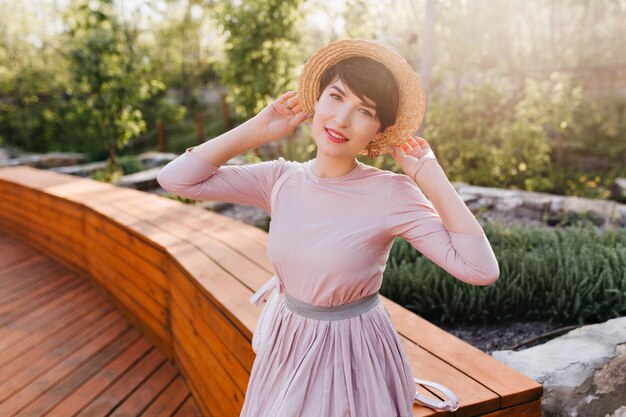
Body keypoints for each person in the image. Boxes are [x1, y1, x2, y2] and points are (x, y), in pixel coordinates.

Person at [157, 39, 500, 417]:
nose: (341, 119)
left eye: (364, 111)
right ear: (316, 101)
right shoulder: (280, 179)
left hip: (353, 351)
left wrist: (428, 175)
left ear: (379, 129)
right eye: (336, 97)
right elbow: (177, 180)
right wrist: (258, 129)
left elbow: (480, 269)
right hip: (286, 345)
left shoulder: (390, 192)